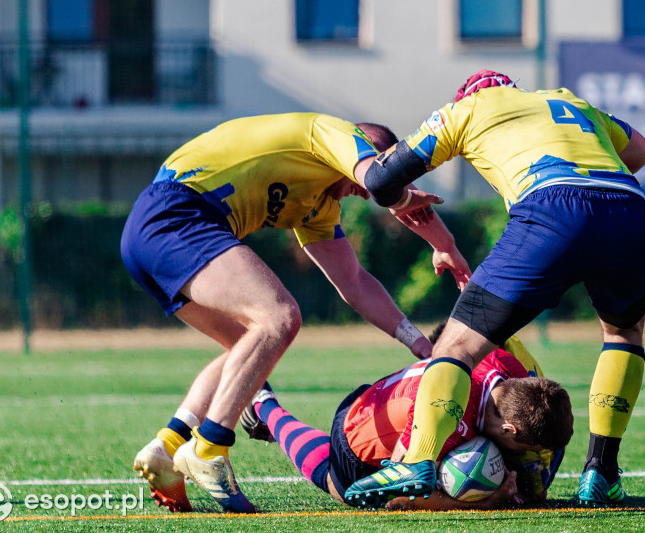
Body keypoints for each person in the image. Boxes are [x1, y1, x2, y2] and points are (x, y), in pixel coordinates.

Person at [121, 113, 471, 513]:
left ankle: (168, 447)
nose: (364, 191)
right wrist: (443, 241)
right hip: (176, 211)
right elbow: (382, 181)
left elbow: (354, 282)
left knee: (245, 345)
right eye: (380, 167)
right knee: (280, 317)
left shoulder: (320, 203)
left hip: (155, 229)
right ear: (360, 147)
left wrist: (420, 344)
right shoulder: (328, 132)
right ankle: (210, 446)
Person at [343, 70, 645, 508]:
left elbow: (380, 179)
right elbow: (640, 150)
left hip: (550, 208)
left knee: (455, 348)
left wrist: (401, 201)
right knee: (623, 334)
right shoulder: (568, 101)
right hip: (628, 209)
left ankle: (417, 461)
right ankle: (601, 470)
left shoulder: (467, 109)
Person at [239, 333, 572, 511]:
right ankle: (265, 403)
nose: (530, 456)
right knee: (337, 487)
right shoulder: (445, 426)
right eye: (527, 449)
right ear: (508, 429)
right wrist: (488, 501)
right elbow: (398, 499)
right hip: (357, 441)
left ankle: (264, 406)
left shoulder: (504, 364)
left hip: (383, 392)